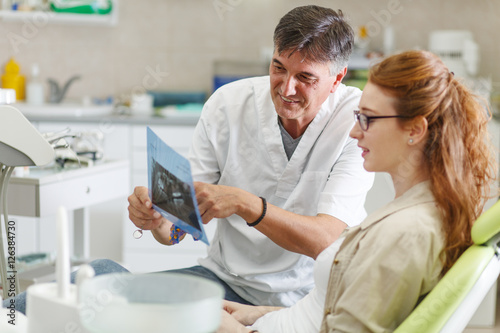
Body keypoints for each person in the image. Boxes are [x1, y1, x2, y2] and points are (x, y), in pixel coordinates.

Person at [3, 5, 373, 314]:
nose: (286, 88)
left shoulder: (356, 121)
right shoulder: (229, 104)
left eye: (305, 77)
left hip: (310, 300)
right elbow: (174, 231)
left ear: (337, 77)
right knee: (97, 278)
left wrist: (246, 204)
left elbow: (326, 239)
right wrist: (157, 217)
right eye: (278, 67)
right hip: (223, 284)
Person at [216, 50, 497, 333]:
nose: (353, 132)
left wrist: (236, 331)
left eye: (368, 119)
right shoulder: (416, 208)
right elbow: (332, 312)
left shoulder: (404, 235)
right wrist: (258, 314)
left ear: (414, 129)